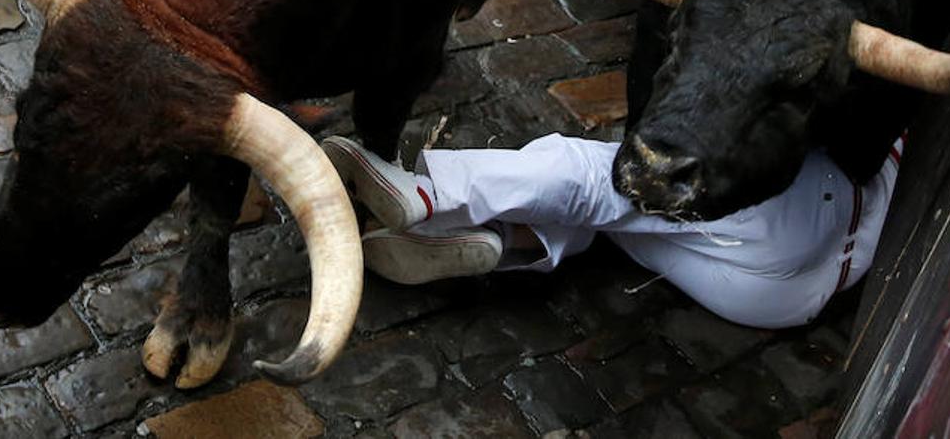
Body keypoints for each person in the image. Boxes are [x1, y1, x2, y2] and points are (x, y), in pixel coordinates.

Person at [322, 132, 901, 329]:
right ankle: (503, 242)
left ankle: (431, 195)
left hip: (805, 197)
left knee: (609, 181)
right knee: (620, 224)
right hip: (785, 301)